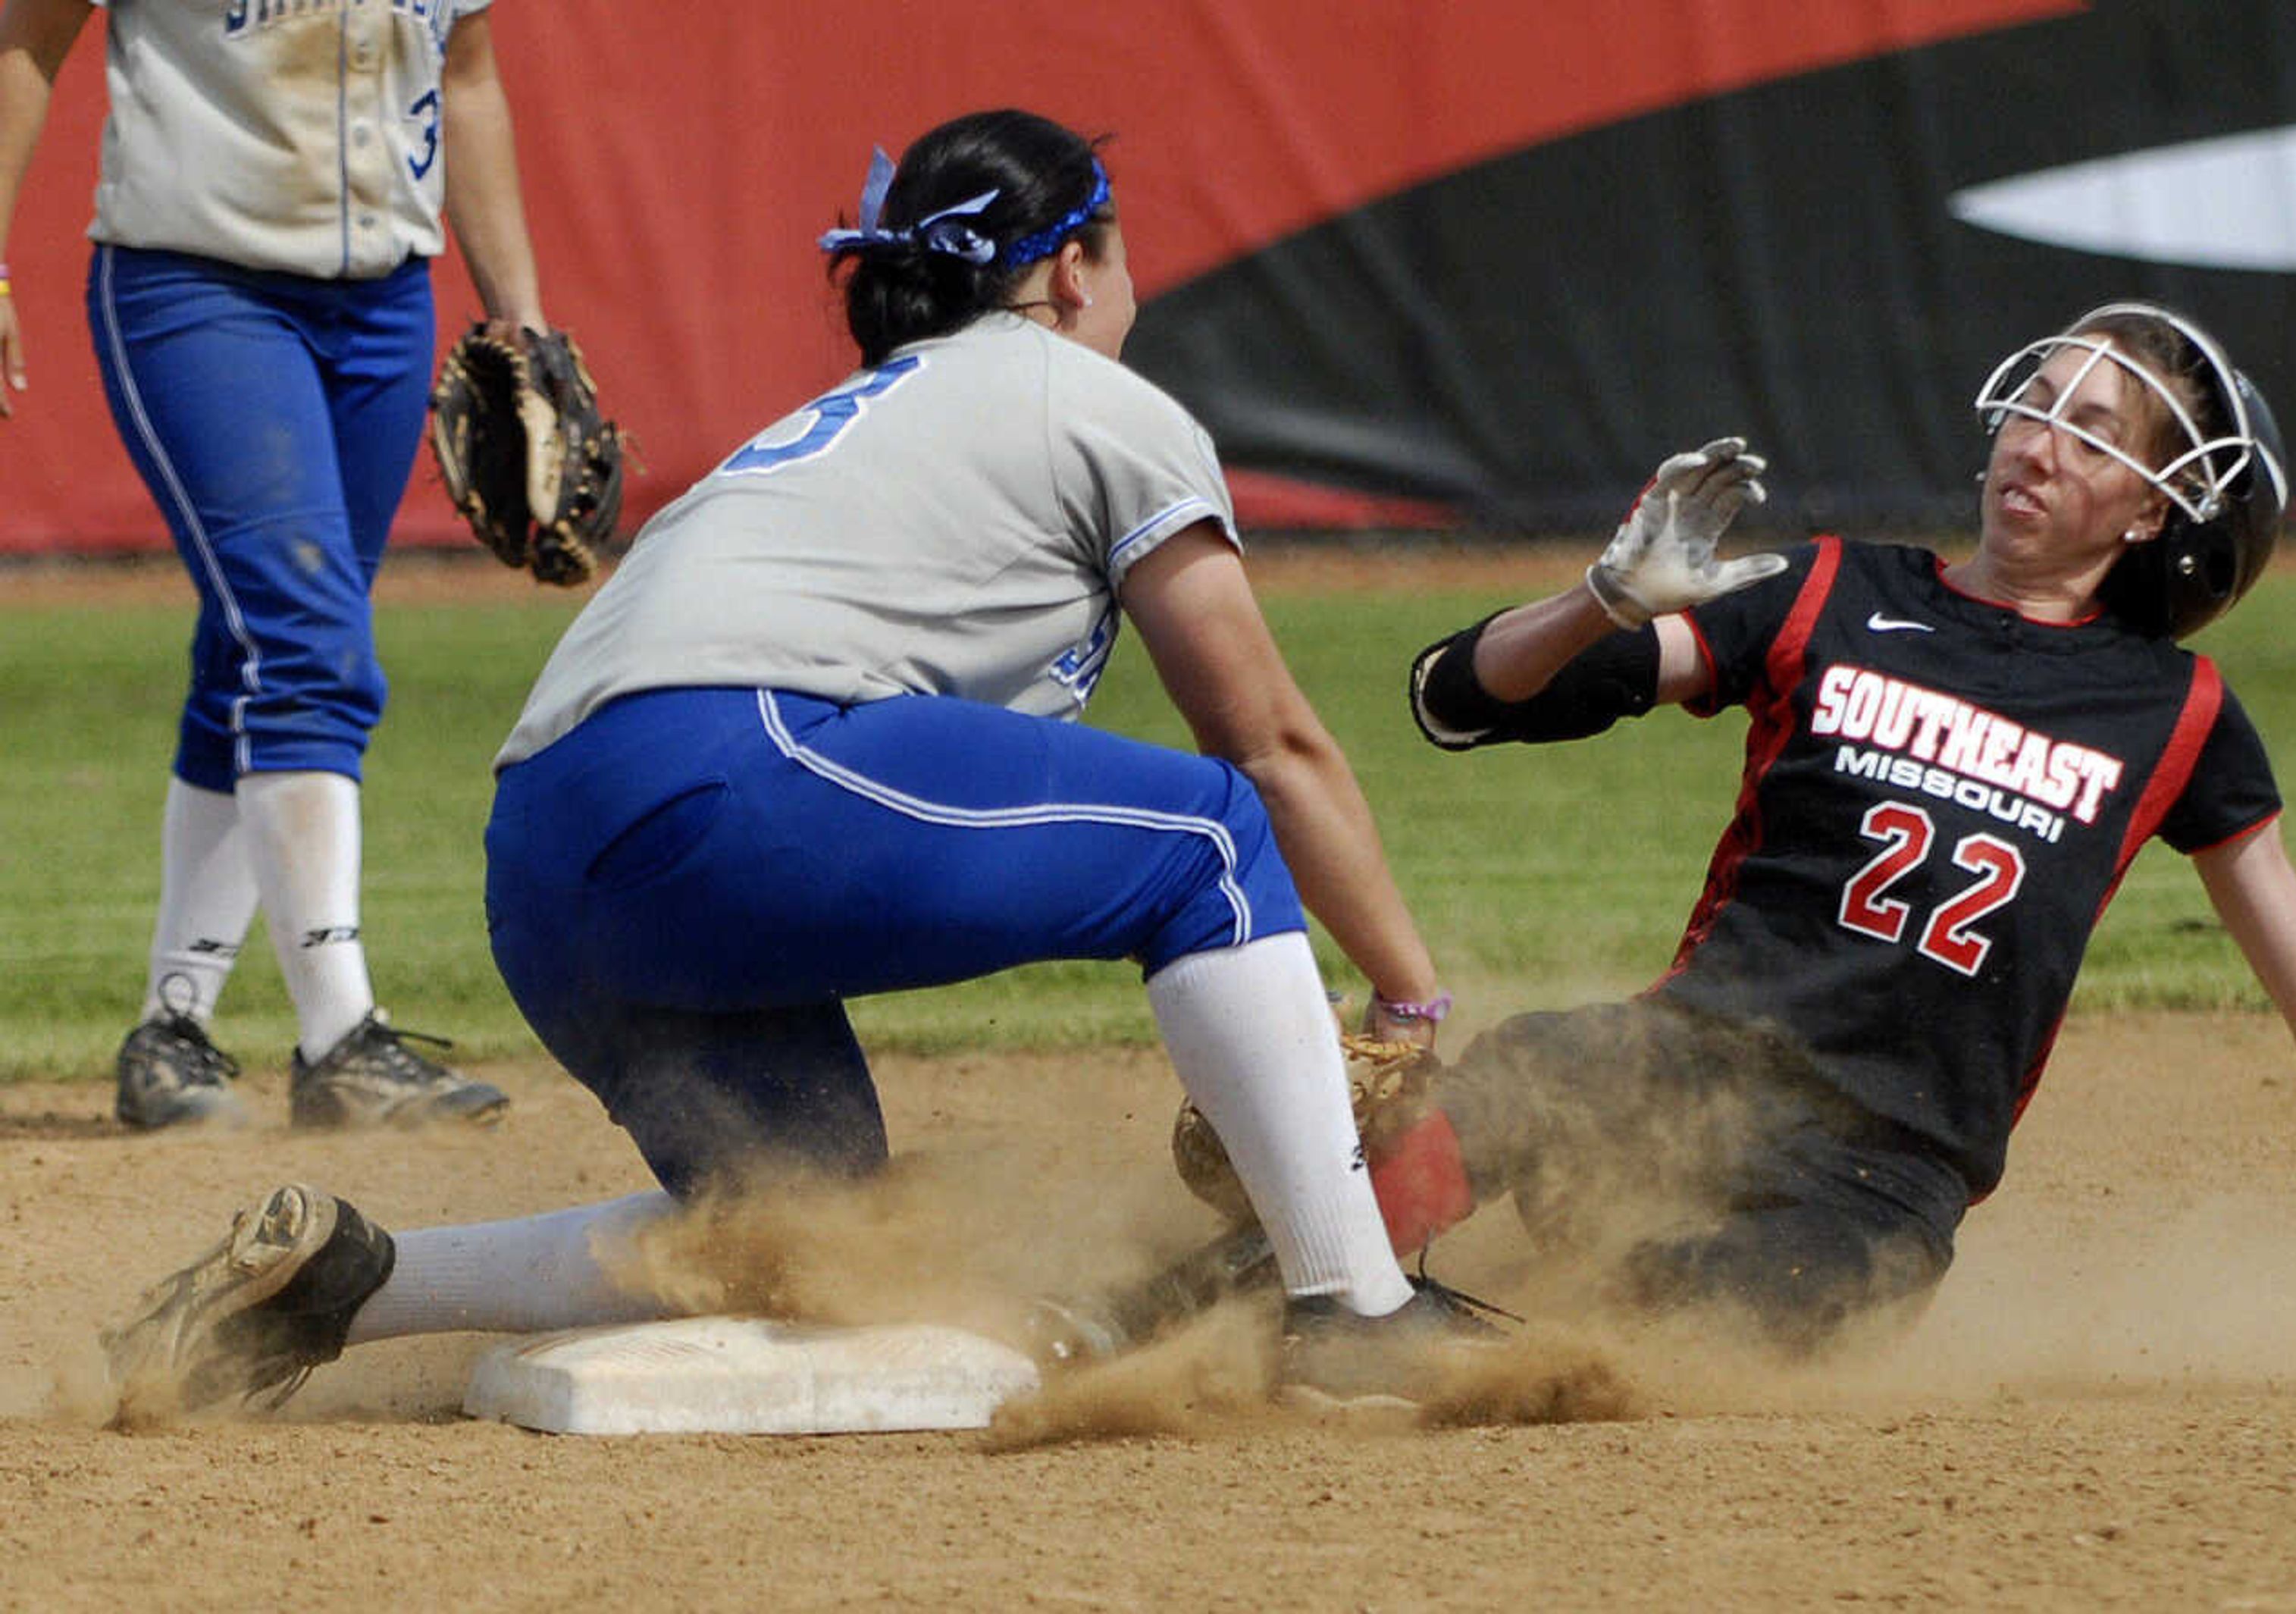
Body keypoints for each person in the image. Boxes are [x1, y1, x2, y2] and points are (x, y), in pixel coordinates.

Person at [96, 108, 1484, 1423]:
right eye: (1114, 255)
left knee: (815, 1233)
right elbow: (1272, 744)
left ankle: (351, 1282)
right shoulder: (1094, 398)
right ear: (1072, 266)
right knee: (1212, 838)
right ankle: (1351, 1308)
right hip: (727, 768)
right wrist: (1408, 1003)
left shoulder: (857, 418)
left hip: (541, 857)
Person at [1367, 302, 2296, 1373]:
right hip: (1682, 1077)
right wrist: (1597, 601)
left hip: (1875, 1189)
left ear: (2151, 513)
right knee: (1524, 1084)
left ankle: (1429, 1330)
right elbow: (1464, 699)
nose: (2036, 445)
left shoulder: (2176, 714)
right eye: (2033, 407)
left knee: (1641, 1348)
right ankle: (1280, 1282)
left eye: (2089, 434)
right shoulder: (1832, 590)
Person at [0, 0, 535, 1129]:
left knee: (253, 649)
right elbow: (23, 43)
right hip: (198, 289)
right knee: (308, 646)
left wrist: (519, 324)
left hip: (385, 306)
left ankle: (172, 1029)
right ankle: (341, 1035)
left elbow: (472, 77)